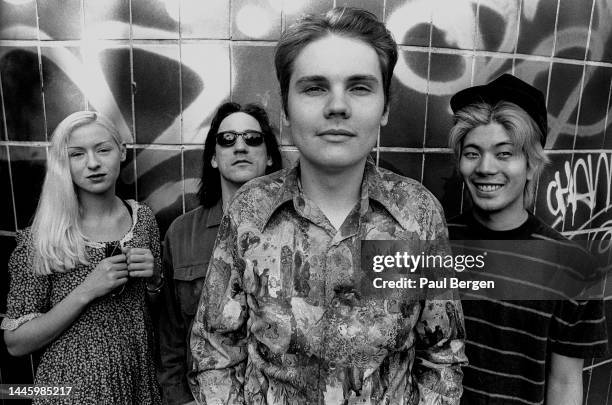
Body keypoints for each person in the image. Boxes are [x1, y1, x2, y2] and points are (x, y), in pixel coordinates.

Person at [190, 7, 466, 404]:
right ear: (286, 109)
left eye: (359, 87)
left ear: (385, 107)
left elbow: (442, 355)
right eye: (315, 87)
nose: (337, 106)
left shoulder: (419, 214)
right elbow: (215, 349)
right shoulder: (249, 211)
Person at [447, 74, 608, 404]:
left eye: (505, 153)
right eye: (473, 153)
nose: (486, 168)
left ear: (532, 164)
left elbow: (564, 384)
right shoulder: (433, 244)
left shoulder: (572, 266)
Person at [2, 111, 163, 404]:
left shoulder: (144, 221)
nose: (93, 163)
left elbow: (157, 314)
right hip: (71, 392)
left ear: (122, 151)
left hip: (137, 385)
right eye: (77, 154)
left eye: (103, 149)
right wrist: (87, 291)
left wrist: (154, 281)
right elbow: (16, 343)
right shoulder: (43, 238)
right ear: (65, 162)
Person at [158, 102, 282, 404]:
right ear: (213, 158)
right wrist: (180, 399)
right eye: (227, 139)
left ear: (269, 158)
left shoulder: (297, 231)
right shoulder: (182, 233)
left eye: (253, 138)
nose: (240, 146)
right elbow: (169, 335)